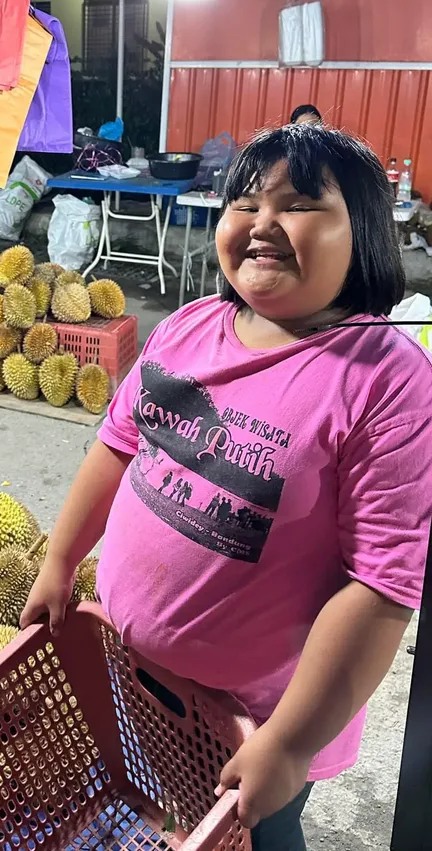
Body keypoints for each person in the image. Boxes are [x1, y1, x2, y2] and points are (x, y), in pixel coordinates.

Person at [21, 123, 432, 851]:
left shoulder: (385, 379)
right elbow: (117, 449)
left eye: (300, 203)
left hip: (261, 720)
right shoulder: (187, 328)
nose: (263, 220)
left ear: (364, 233)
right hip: (136, 672)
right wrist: (58, 562)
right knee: (171, 811)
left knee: (257, 836)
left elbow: (379, 586)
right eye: (244, 200)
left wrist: (293, 744)